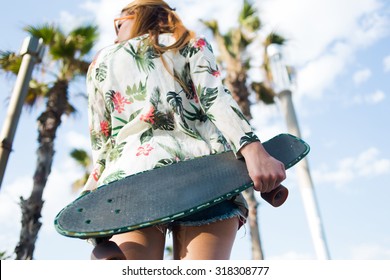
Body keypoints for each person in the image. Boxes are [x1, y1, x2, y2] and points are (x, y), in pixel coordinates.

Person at [83, 0, 286, 260]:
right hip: (205, 175)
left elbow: (102, 140)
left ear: (138, 15)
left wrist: (93, 196)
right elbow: (214, 99)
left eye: (119, 22)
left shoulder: (102, 61)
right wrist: (254, 150)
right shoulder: (186, 41)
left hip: (130, 180)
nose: (116, 30)